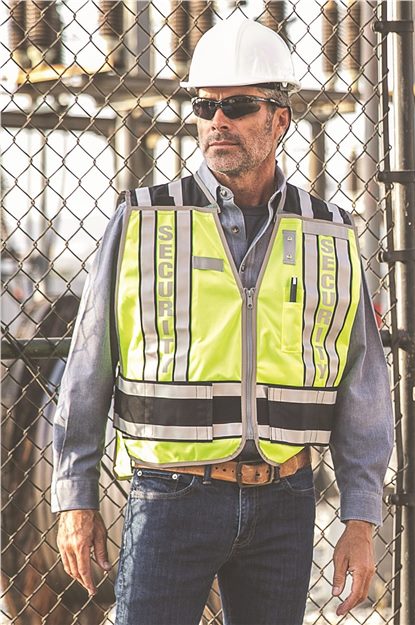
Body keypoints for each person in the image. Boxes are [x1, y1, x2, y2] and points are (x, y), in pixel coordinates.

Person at [52, 16, 393, 625]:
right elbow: (87, 368)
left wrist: (361, 518)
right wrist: (75, 497)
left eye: (237, 106)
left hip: (286, 501)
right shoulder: (142, 219)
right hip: (169, 497)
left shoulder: (330, 233)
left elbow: (363, 387)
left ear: (279, 119)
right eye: (205, 107)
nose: (218, 122)